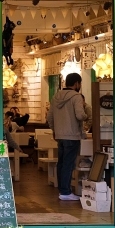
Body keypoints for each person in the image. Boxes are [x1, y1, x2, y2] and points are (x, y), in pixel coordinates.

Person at [47, 73, 85, 201]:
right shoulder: (77, 97)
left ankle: (62, 190)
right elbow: (80, 115)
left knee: (61, 163)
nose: (80, 86)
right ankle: (66, 191)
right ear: (76, 84)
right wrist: (87, 115)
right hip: (72, 135)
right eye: (80, 83)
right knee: (68, 164)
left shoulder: (55, 96)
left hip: (60, 136)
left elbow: (49, 117)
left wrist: (54, 130)